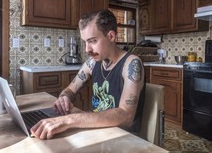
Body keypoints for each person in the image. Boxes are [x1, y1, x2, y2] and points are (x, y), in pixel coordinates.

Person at [31, 9, 145, 140]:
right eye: (85, 41)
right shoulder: (92, 63)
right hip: (97, 132)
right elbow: (70, 89)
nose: (87, 49)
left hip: (124, 138)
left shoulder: (131, 64)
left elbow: (126, 116)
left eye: (93, 41)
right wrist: (64, 97)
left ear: (111, 36)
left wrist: (69, 120)